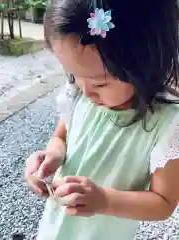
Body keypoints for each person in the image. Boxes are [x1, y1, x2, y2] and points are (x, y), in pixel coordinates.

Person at [25, 0, 179, 239]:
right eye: (73, 75)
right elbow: (60, 137)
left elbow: (163, 202)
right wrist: (51, 157)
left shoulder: (166, 125)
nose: (86, 91)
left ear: (143, 65)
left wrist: (105, 200)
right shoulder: (77, 95)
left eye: (99, 83)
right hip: (55, 228)